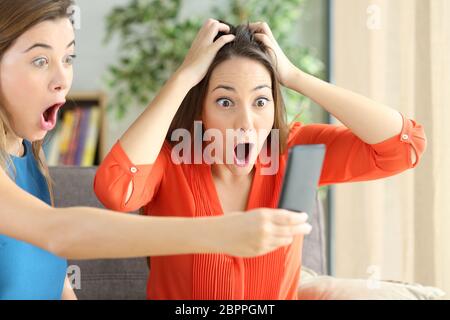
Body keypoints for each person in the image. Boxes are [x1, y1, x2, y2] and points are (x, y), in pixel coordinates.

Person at [94, 20, 427, 300]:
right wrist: (184, 77)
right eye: (225, 102)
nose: (246, 123)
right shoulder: (169, 161)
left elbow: (404, 146)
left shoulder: (290, 150)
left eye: (260, 101)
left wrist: (294, 76)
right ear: (200, 110)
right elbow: (115, 189)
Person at [0, 0, 307, 300]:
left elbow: (53, 272)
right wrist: (221, 233)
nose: (62, 80)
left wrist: (293, 76)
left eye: (68, 59)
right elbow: (59, 233)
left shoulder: (27, 153)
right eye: (40, 61)